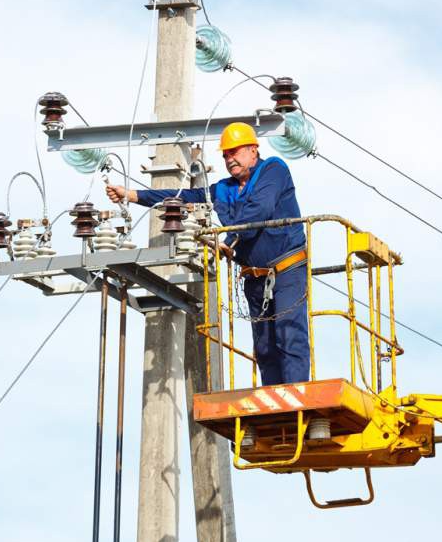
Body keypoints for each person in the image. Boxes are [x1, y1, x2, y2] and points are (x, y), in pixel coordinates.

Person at [106, 122, 309, 386]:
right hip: (255, 278)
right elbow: (180, 196)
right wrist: (132, 195)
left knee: (288, 335)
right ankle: (274, 402)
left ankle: (297, 399)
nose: (229, 159)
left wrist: (230, 240)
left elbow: (260, 209)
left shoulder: (274, 169)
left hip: (287, 270)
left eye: (235, 152)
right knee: (266, 347)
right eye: (225, 155)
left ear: (253, 150)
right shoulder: (223, 189)